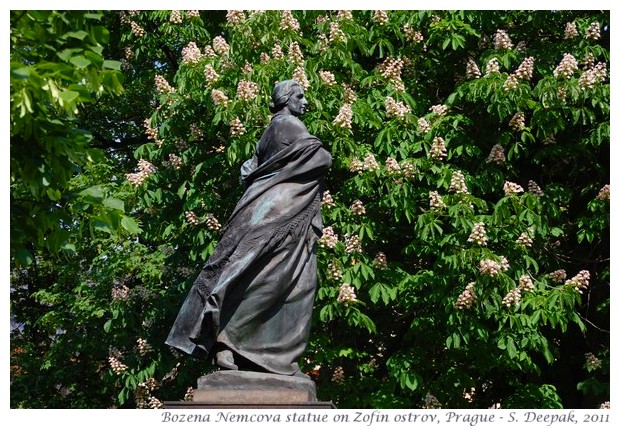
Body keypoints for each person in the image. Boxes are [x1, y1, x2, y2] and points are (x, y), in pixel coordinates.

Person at [166, 80, 332, 377]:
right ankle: (230, 342)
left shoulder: (268, 136)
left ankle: (238, 347)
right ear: (285, 100)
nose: (306, 103)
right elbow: (320, 158)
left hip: (273, 210)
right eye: (301, 96)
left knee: (263, 279)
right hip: (280, 212)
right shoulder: (288, 125)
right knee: (276, 283)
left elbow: (253, 169)